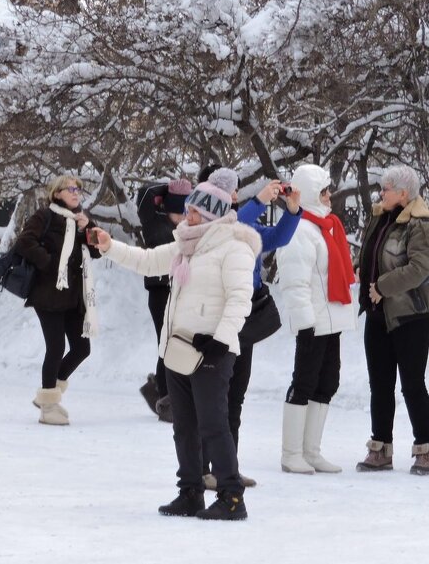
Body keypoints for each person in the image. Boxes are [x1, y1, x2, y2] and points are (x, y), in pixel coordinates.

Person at [94, 168, 258, 521]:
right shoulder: (186, 244)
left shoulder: (234, 247)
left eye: (196, 210)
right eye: (188, 208)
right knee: (184, 426)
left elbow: (240, 299)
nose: (188, 214)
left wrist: (221, 340)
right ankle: (190, 491)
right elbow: (147, 260)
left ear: (213, 214)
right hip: (179, 350)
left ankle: (232, 497)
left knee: (215, 425)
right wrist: (109, 246)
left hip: (211, 351)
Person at [201, 170, 302, 489]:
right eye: (231, 191)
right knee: (212, 397)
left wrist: (293, 210)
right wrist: (259, 200)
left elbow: (278, 239)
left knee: (235, 396)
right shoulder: (209, 226)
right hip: (217, 320)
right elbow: (235, 225)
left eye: (236, 191)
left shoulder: (244, 226)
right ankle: (203, 466)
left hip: (244, 319)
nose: (235, 195)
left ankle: (226, 467)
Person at [356, 164, 429, 475]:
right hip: (378, 313)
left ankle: (426, 448)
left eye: (386, 189)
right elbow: (371, 254)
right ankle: (380, 447)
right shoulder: (380, 217)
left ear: (403, 193)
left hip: (410, 313)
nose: (381, 194)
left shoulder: (423, 224)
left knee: (411, 383)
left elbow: (421, 269)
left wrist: (382, 286)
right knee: (379, 384)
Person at [275, 164, 355, 475]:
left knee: (327, 382)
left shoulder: (327, 226)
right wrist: (305, 324)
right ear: (309, 194)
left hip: (331, 320)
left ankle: (311, 451)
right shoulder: (300, 230)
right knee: (304, 382)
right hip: (313, 322)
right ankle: (291, 452)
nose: (329, 195)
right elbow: (295, 284)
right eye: (323, 191)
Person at [13, 174, 101, 425]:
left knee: (82, 348)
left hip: (74, 296)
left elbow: (96, 252)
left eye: (78, 189)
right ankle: (48, 407)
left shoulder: (81, 220)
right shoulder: (45, 216)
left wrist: (89, 229)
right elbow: (25, 242)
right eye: (70, 189)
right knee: (56, 347)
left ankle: (47, 393)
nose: (75, 193)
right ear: (57, 193)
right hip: (47, 294)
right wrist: (50, 263)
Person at [136, 178, 193, 422]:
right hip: (159, 292)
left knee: (176, 343)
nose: (182, 217)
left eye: (185, 212)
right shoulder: (153, 221)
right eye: (177, 211)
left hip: (180, 290)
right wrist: (170, 189)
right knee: (166, 344)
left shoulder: (188, 228)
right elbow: (145, 193)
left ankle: (160, 390)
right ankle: (165, 399)